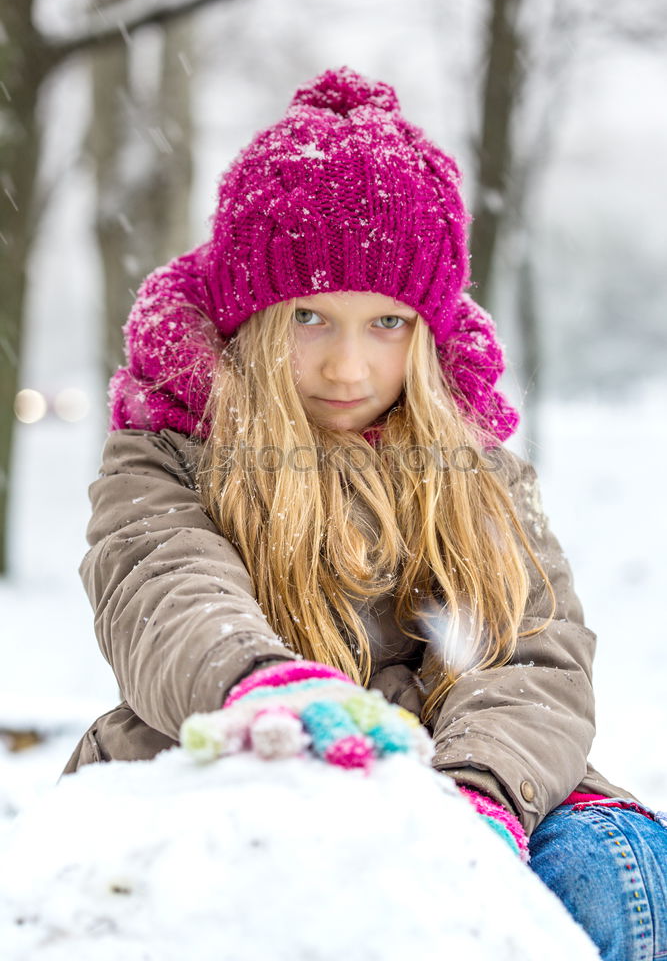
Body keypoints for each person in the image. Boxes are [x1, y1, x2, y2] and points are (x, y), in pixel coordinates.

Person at [63, 66, 667, 957]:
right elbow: (164, 583)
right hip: (232, 762)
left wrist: (473, 803)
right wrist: (259, 689)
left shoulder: (475, 472)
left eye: (386, 325)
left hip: (478, 787)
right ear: (252, 318)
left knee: (605, 870)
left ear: (427, 334)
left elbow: (529, 652)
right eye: (310, 317)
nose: (348, 370)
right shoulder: (170, 449)